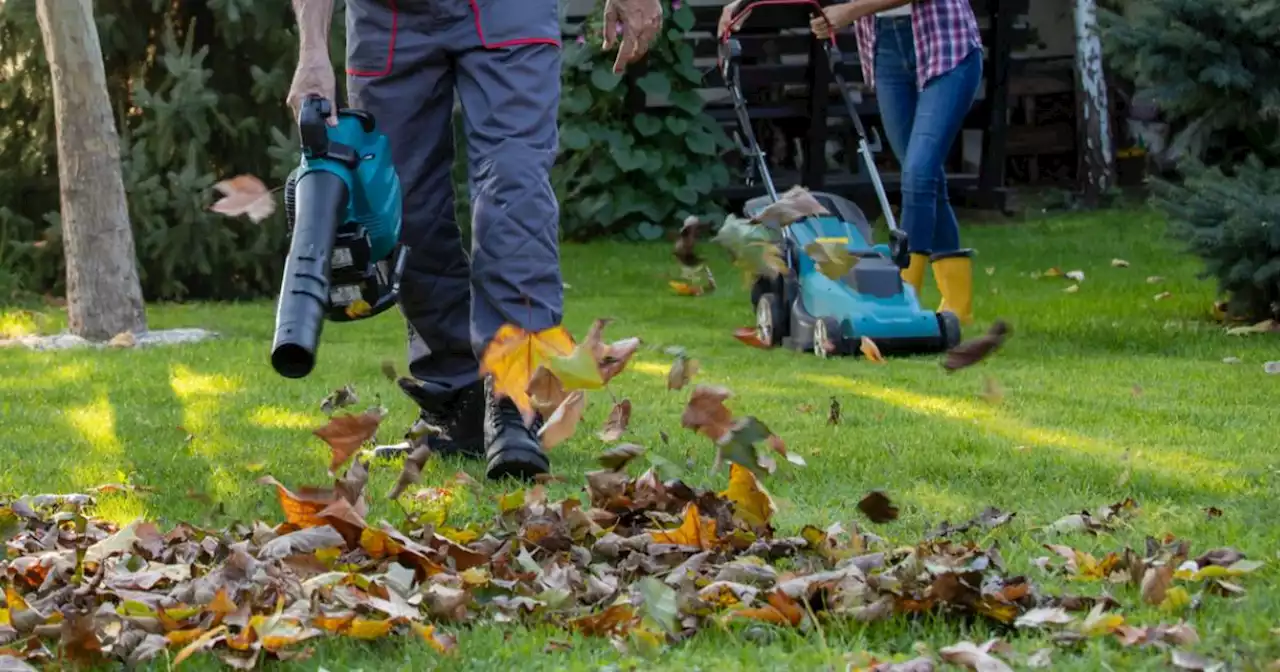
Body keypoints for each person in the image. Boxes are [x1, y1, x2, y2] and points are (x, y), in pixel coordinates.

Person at [286, 0, 663, 482]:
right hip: (390, 16)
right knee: (402, 208)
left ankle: (514, 399)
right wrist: (313, 49)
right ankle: (457, 400)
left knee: (514, 186)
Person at [720, 0, 982, 325]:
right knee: (925, 177)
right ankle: (958, 305)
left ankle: (901, 303)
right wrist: (743, 4)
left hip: (947, 46)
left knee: (919, 173)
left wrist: (849, 11)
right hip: (886, 48)